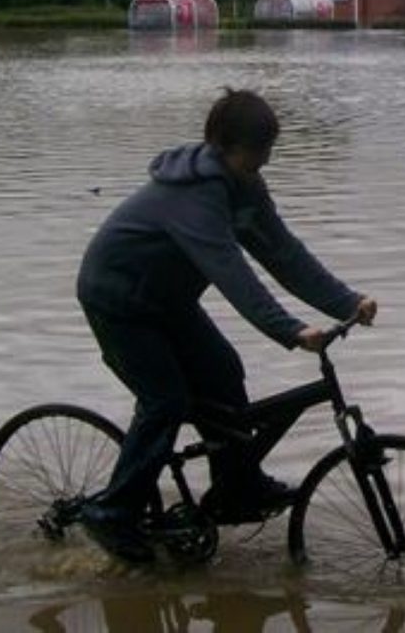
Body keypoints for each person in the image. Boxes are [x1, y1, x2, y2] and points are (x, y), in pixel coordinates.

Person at [76, 88, 377, 563]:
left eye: (267, 151)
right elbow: (232, 273)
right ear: (224, 146)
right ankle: (112, 511)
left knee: (222, 370)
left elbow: (284, 254)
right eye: (255, 152)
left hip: (167, 301)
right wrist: (292, 330)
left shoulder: (245, 184)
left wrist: (347, 300)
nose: (263, 161)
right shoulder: (194, 197)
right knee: (166, 401)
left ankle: (237, 486)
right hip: (118, 301)